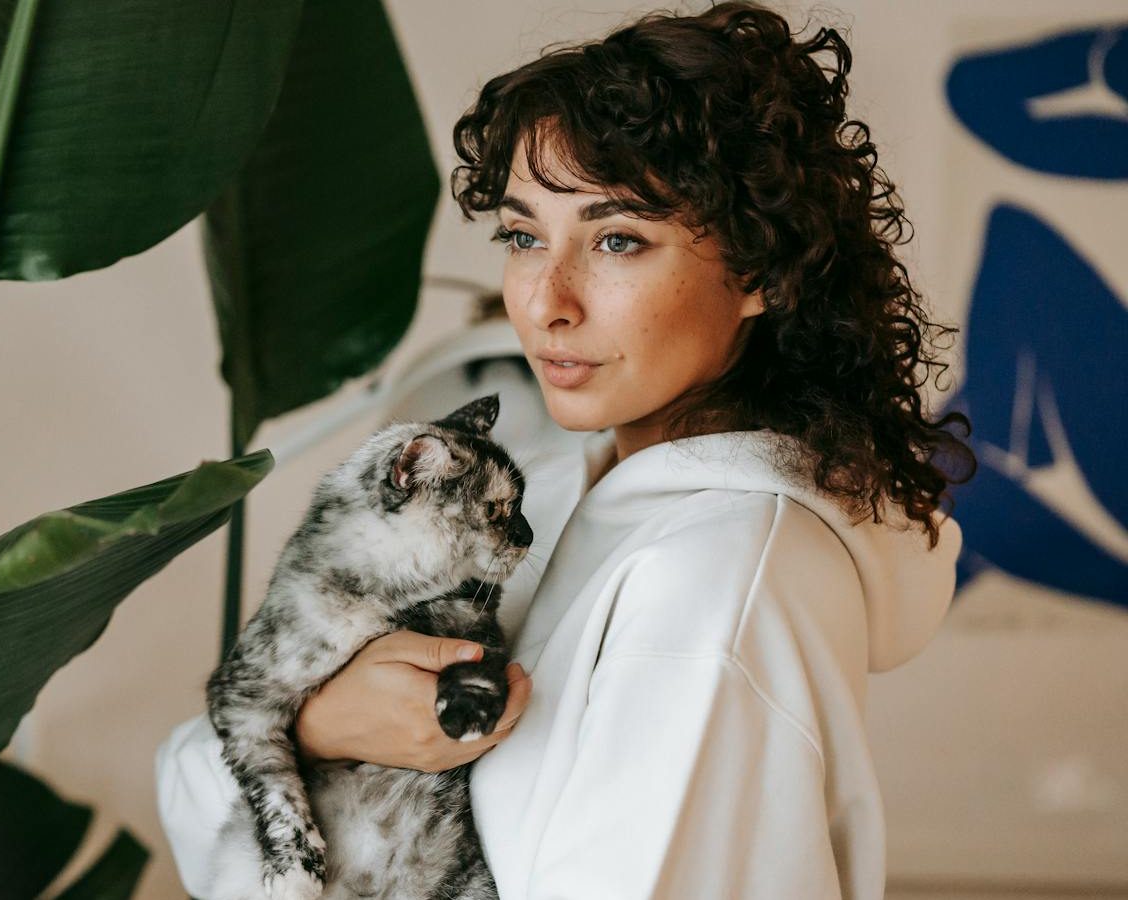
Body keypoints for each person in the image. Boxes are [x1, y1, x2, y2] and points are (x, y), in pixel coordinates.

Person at [156, 2, 977, 897]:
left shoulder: (714, 582)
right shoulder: (543, 495)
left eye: (618, 240)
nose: (547, 300)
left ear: (764, 274)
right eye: (522, 235)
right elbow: (193, 779)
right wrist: (322, 725)